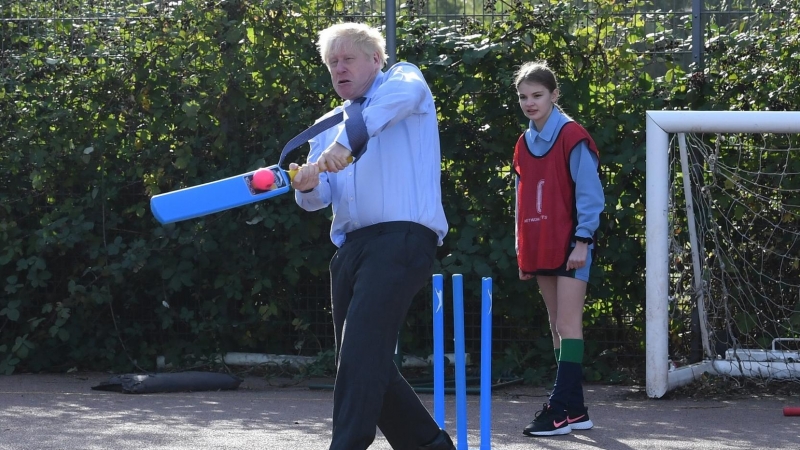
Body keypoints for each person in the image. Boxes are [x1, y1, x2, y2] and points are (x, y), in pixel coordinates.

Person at [288, 23, 452, 450]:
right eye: (332, 62)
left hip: (401, 239)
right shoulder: (327, 126)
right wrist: (306, 185)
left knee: (361, 358)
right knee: (365, 361)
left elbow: (383, 109)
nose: (339, 68)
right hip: (350, 250)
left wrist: (348, 142)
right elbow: (318, 198)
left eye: (348, 59)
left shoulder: (404, 79)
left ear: (375, 60)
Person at [511, 61, 605, 437]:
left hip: (571, 244)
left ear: (553, 95)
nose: (530, 103)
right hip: (539, 244)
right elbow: (521, 202)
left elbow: (590, 194)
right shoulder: (523, 142)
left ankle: (559, 408)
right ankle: (577, 410)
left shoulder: (572, 136)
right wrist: (523, 251)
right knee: (555, 325)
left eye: (537, 96)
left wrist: (583, 241)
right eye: (523, 97)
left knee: (568, 324)